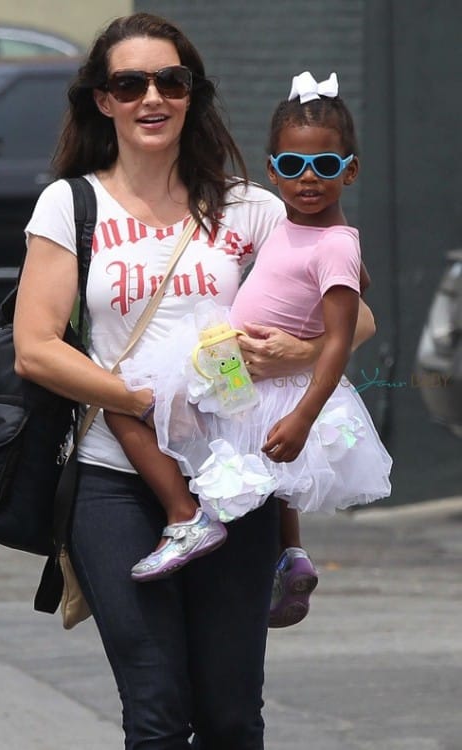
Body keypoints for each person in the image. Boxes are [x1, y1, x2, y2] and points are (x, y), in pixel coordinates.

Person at [14, 13, 375, 749]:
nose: (153, 97)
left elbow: (357, 317)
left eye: (170, 81)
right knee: (155, 714)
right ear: (103, 100)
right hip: (114, 476)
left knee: (230, 717)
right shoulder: (71, 204)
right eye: (130, 82)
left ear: (191, 95)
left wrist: (291, 353)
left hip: (233, 479)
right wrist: (132, 400)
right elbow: (35, 348)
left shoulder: (252, 205)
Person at [107, 70, 392, 630]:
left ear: (350, 171)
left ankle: (185, 516)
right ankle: (291, 554)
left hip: (255, 376)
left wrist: (305, 415)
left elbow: (341, 336)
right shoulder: (293, 222)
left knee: (127, 402)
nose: (307, 179)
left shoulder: (332, 241)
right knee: (269, 473)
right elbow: (355, 281)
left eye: (325, 167)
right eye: (291, 167)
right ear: (272, 172)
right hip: (237, 363)